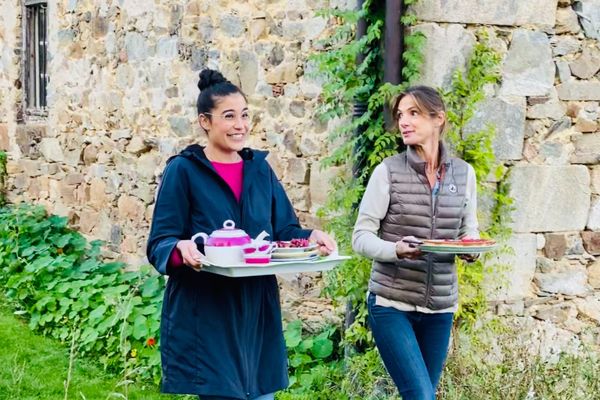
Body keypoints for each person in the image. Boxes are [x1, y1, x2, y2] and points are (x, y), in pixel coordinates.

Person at [147, 69, 335, 400]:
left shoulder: (260, 170)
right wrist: (181, 247)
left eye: (245, 115)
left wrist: (310, 237)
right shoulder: (184, 170)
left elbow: (284, 231)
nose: (240, 125)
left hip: (256, 311)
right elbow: (160, 243)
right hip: (208, 313)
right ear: (205, 121)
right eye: (229, 116)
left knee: (261, 394)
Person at [351, 86, 479, 400]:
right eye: (400, 115)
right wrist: (394, 249)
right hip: (392, 303)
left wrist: (471, 248)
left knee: (423, 395)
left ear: (438, 119)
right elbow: (361, 237)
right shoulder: (388, 172)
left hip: (441, 306)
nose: (403, 122)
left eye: (414, 114)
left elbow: (470, 231)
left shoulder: (464, 175)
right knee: (421, 396)